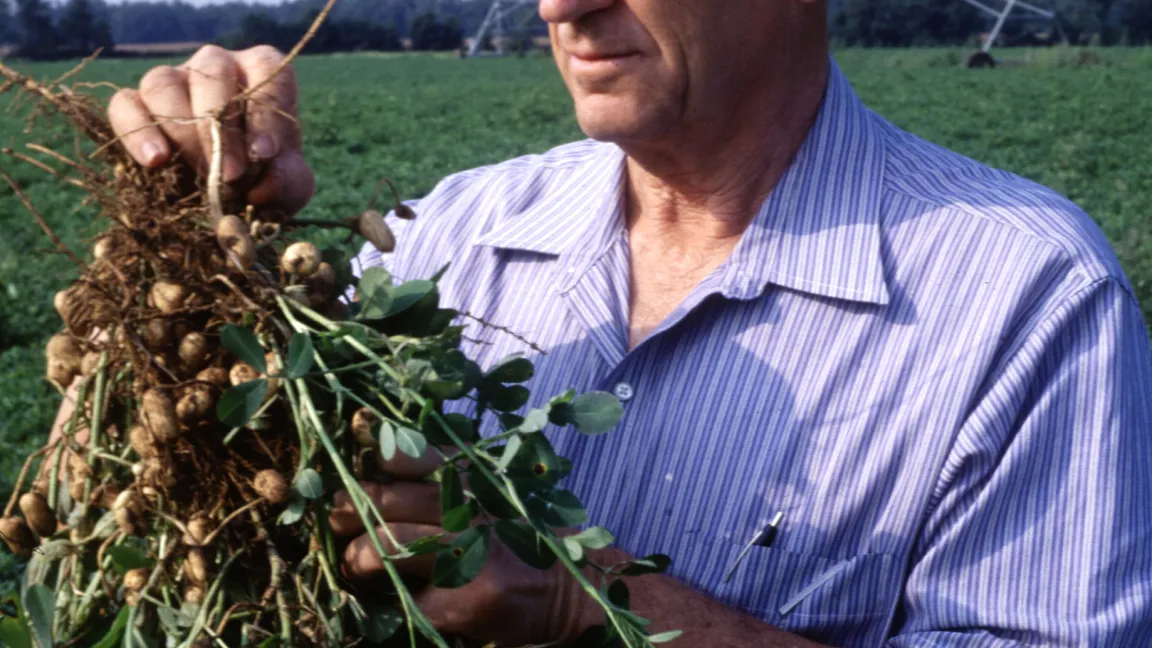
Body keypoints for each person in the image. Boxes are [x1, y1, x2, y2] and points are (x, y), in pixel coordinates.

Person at [100, 0, 1152, 646]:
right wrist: (219, 242)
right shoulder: (451, 237)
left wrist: (589, 609)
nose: (563, 5)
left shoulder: (1023, 295)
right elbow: (217, 519)